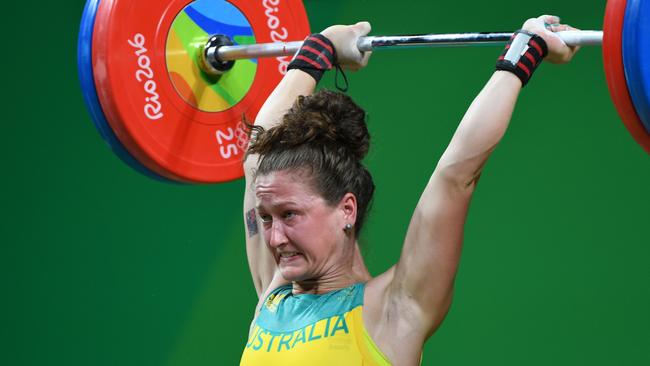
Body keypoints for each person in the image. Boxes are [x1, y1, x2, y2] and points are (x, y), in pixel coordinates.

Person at [239, 15, 579, 366]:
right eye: (266, 218)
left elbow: (456, 174)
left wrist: (527, 48)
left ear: (347, 210)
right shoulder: (273, 297)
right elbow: (257, 158)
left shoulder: (396, 310)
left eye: (290, 215)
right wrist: (320, 48)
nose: (275, 237)